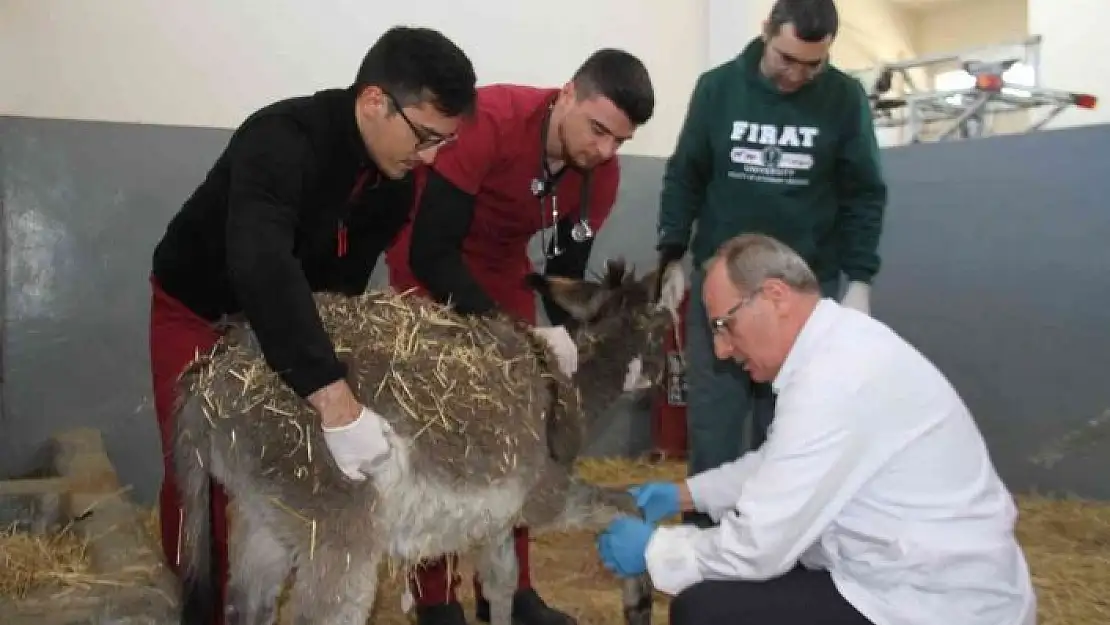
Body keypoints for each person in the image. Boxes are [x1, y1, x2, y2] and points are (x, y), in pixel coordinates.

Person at [147, 26, 478, 625]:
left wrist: (344, 382)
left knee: (301, 468)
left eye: (442, 144)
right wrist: (336, 401)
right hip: (202, 310)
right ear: (375, 100)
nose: (429, 157)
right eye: (426, 136)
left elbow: (336, 296)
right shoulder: (280, 138)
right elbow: (261, 266)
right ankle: (196, 609)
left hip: (290, 322)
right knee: (199, 469)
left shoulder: (394, 184)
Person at [597, 233, 1037, 625]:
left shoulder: (836, 377)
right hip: (902, 579)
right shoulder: (836, 349)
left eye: (723, 325)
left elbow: (758, 547)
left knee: (705, 612)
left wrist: (657, 550)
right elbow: (782, 463)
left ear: (775, 296)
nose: (721, 348)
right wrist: (684, 495)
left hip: (932, 603)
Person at [384, 49, 655, 625]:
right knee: (441, 434)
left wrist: (576, 342)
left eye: (620, 141)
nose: (605, 151)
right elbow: (433, 250)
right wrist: (517, 337)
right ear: (565, 96)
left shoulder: (598, 174)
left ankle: (510, 592)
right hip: (428, 265)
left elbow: (565, 276)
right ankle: (433, 598)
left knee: (528, 435)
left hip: (502, 271)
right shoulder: (494, 121)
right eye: (598, 130)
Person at [652, 0, 889, 527]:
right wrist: (672, 254)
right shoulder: (718, 89)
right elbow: (685, 174)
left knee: (791, 430)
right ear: (766, 34)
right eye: (786, 59)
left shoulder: (845, 99)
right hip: (723, 292)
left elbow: (864, 193)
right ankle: (704, 549)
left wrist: (861, 280)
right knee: (713, 426)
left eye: (813, 64)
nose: (796, 75)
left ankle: (777, 546)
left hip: (803, 296)